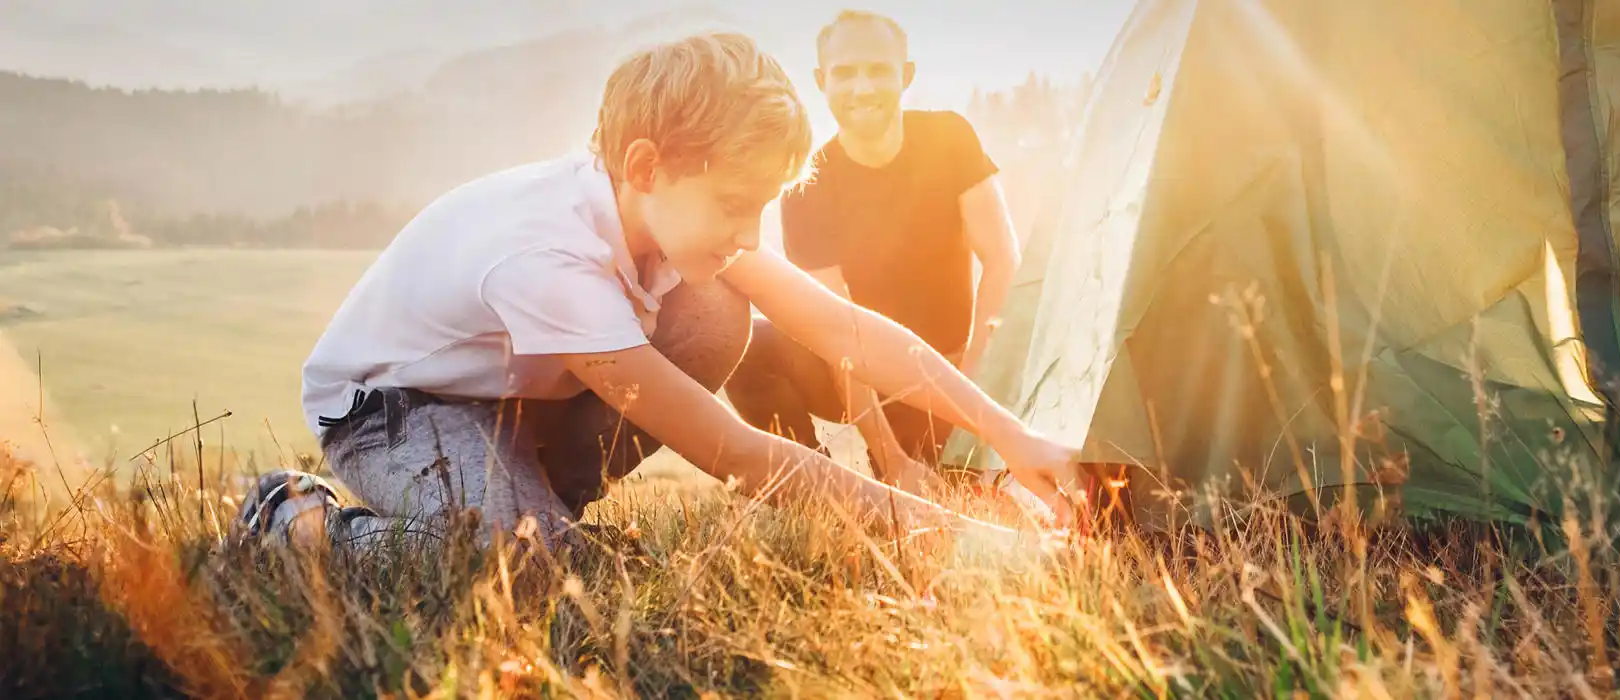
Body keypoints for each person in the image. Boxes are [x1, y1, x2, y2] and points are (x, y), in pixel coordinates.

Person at [231, 31, 1082, 552]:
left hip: (505, 404)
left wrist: (1013, 438)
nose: (752, 233)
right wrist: (948, 533)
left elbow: (846, 331)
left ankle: (536, 514)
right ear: (648, 167)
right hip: (392, 411)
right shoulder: (549, 258)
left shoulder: (665, 213)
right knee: (517, 570)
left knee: (714, 312)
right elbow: (735, 452)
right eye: (735, 206)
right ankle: (298, 526)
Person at [724, 11, 1023, 492]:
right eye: (844, 73)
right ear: (822, 81)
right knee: (749, 346)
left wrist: (970, 390)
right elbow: (833, 331)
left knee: (960, 491)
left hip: (956, 367)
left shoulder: (950, 138)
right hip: (867, 375)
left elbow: (1003, 260)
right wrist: (891, 458)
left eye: (878, 70)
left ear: (906, 75)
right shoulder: (808, 184)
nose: (862, 87)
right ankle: (812, 485)